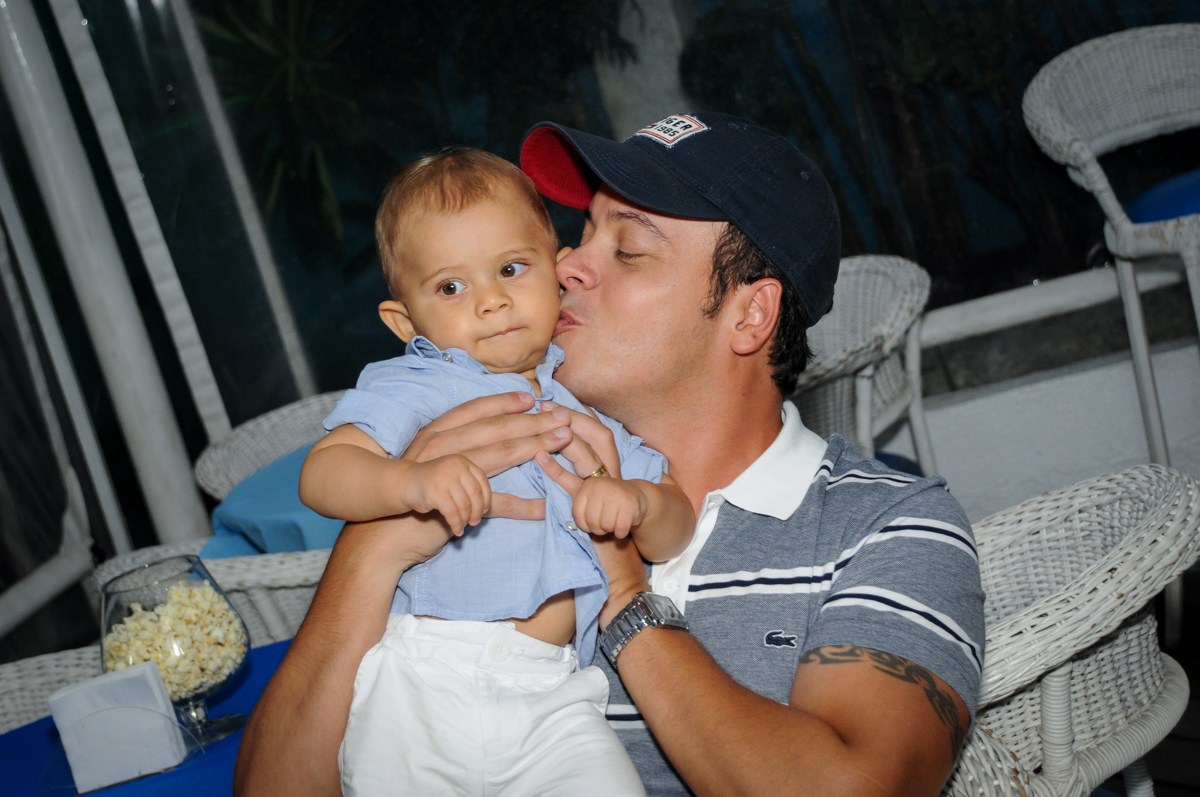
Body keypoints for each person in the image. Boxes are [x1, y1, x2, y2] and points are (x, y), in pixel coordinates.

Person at [235, 112, 985, 797]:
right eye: (579, 233)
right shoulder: (467, 454)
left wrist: (625, 591)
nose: (564, 267)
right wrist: (376, 547)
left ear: (751, 313)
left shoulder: (887, 527)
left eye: (626, 249)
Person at [298, 147, 694, 796]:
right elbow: (324, 471)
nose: (491, 301)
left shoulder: (582, 416)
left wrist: (637, 503)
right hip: (422, 684)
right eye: (451, 287)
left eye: (512, 268)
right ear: (405, 321)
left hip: (554, 692)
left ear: (555, 277)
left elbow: (674, 523)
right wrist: (408, 483)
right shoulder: (421, 382)